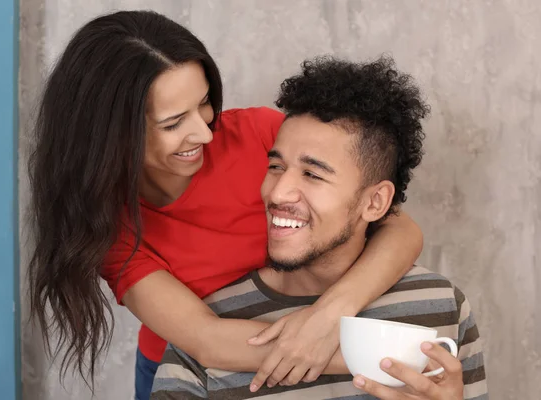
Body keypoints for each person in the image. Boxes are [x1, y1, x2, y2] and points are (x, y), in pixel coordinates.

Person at [27, 11, 423, 399]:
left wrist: (330, 315)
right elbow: (207, 340)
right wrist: (385, 361)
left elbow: (398, 227)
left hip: (318, 341)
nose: (204, 131)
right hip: (189, 368)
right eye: (172, 123)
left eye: (203, 103)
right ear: (111, 135)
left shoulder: (262, 136)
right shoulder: (107, 223)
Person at [150, 56, 488, 400]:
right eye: (275, 166)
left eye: (312, 174)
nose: (277, 192)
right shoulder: (208, 331)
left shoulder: (441, 306)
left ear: (375, 203)